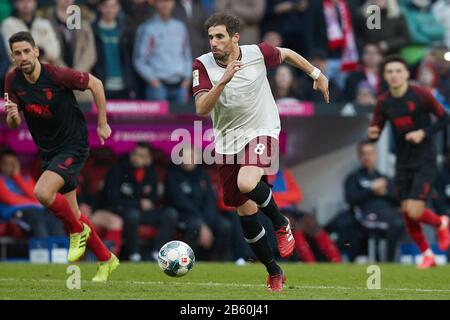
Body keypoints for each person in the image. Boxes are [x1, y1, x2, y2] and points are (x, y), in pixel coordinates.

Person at [192, 13, 329, 292]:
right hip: (228, 141)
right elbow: (201, 109)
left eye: (220, 37)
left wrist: (316, 74)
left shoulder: (257, 53)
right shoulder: (202, 65)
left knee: (247, 182)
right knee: (245, 211)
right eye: (211, 37)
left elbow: (287, 54)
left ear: (235, 37)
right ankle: (273, 270)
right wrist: (223, 80)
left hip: (262, 128)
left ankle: (281, 223)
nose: (214, 43)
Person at [4, 31, 118, 281]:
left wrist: (102, 123)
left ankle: (77, 232)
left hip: (73, 145)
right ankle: (107, 259)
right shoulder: (12, 81)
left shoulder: (56, 75)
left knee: (43, 193)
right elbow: (14, 123)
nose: (23, 56)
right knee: (73, 213)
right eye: (17, 53)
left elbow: (95, 83)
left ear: (36, 51)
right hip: (48, 151)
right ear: (12, 57)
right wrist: (12, 116)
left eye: (26, 51)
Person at [368, 55, 450, 268]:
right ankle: (427, 255)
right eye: (390, 72)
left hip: (424, 159)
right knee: (406, 211)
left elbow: (445, 118)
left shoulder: (421, 95)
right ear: (385, 76)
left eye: (398, 71)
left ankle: (442, 222)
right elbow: (376, 131)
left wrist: (424, 132)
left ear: (406, 74)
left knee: (414, 210)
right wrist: (373, 134)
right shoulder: (384, 102)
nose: (394, 75)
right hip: (402, 162)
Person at [103, 142, 179, 262]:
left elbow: (153, 198)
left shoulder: (151, 173)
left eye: (142, 156)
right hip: (124, 211)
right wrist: (138, 202)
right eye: (135, 154)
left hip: (145, 213)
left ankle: (157, 252)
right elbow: (112, 199)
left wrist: (149, 202)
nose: (137, 158)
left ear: (149, 159)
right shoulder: (117, 170)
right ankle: (134, 254)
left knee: (170, 213)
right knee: (133, 215)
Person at [165, 146, 232, 261]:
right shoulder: (173, 175)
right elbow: (180, 202)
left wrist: (206, 223)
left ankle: (220, 260)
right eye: (185, 156)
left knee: (224, 225)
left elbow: (210, 200)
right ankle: (189, 259)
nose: (189, 159)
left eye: (192, 156)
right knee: (195, 226)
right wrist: (202, 224)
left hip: (205, 217)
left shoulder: (203, 175)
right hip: (185, 216)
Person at [344, 140, 404, 262]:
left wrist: (385, 193)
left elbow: (398, 200)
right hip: (366, 216)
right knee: (387, 225)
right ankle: (384, 263)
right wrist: (371, 189)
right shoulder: (354, 178)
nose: (367, 157)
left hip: (388, 215)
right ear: (359, 156)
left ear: (375, 155)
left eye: (370, 153)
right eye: (364, 154)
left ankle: (389, 262)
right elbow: (350, 199)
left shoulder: (384, 178)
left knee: (399, 222)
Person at [133, 0, 192, 102]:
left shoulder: (180, 27)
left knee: (181, 118)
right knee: (159, 119)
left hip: (180, 86)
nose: (165, 5)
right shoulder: (147, 29)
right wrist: (153, 80)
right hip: (158, 87)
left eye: (168, 1)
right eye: (161, 1)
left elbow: (186, 55)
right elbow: (139, 60)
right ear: (155, 3)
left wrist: (187, 78)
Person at [0, 149, 65, 237]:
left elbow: (36, 196)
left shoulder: (25, 178)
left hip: (37, 211)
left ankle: (60, 249)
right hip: (14, 214)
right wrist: (34, 202)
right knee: (36, 218)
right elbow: (9, 199)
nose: (10, 166)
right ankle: (43, 248)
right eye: (6, 163)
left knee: (53, 218)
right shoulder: (1, 180)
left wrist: (17, 177)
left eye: (13, 163)